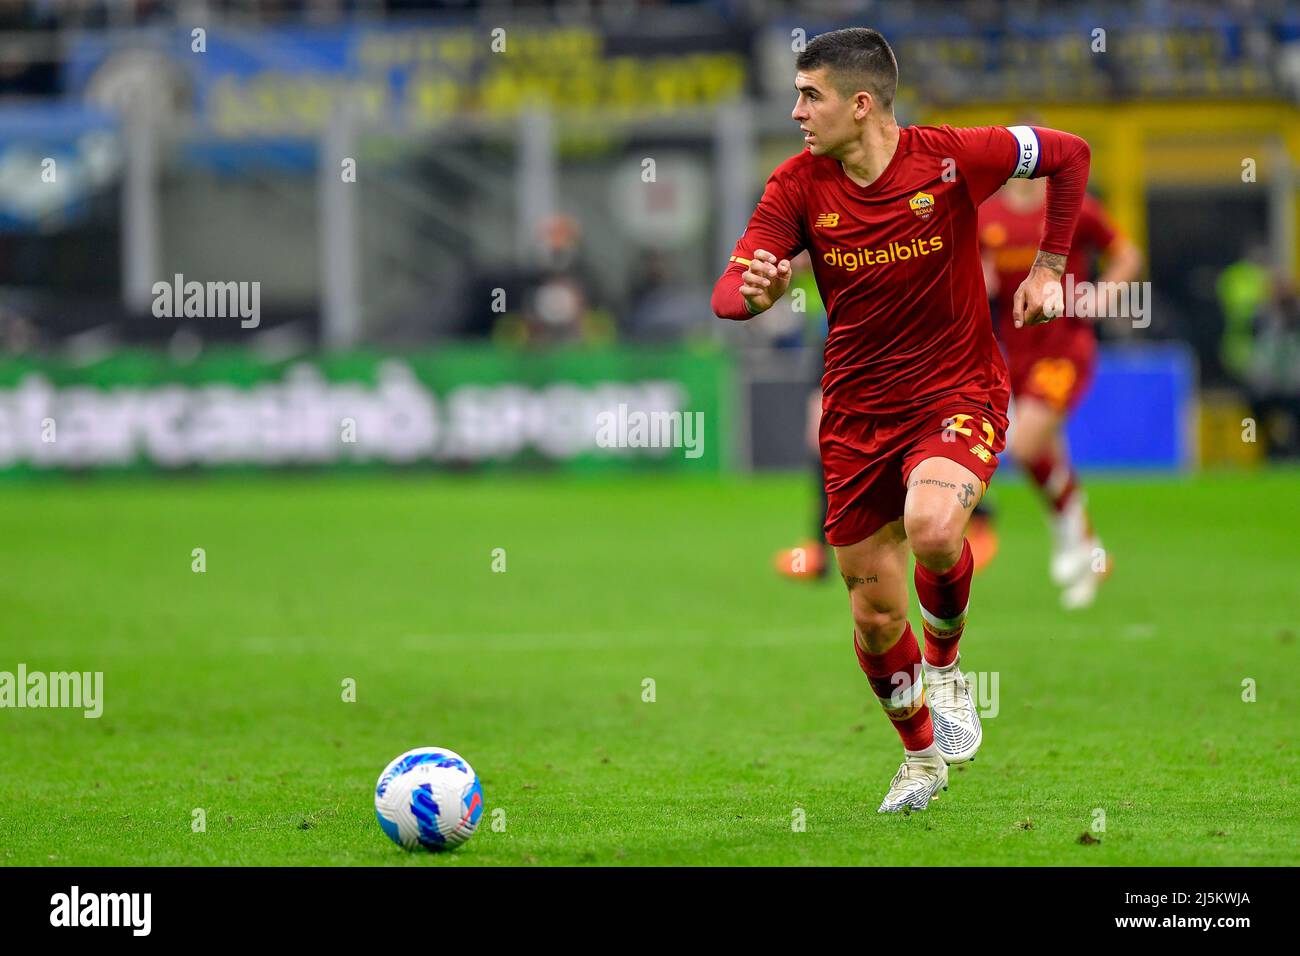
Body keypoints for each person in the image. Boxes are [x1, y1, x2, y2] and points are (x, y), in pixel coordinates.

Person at [711, 27, 1089, 812]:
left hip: (956, 391)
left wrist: (1051, 264)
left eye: (808, 95)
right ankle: (920, 759)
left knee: (935, 527)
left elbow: (1069, 153)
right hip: (855, 416)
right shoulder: (795, 186)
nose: (795, 111)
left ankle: (948, 671)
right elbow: (731, 292)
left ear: (860, 103)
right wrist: (754, 293)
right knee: (875, 613)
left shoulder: (954, 156)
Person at [975, 176, 1143, 607]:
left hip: (1065, 347)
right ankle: (1090, 550)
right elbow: (979, 272)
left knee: (1027, 444)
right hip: (1017, 352)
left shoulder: (1074, 209)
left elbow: (1126, 255)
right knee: (1048, 453)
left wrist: (1104, 295)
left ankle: (1069, 534)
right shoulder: (986, 216)